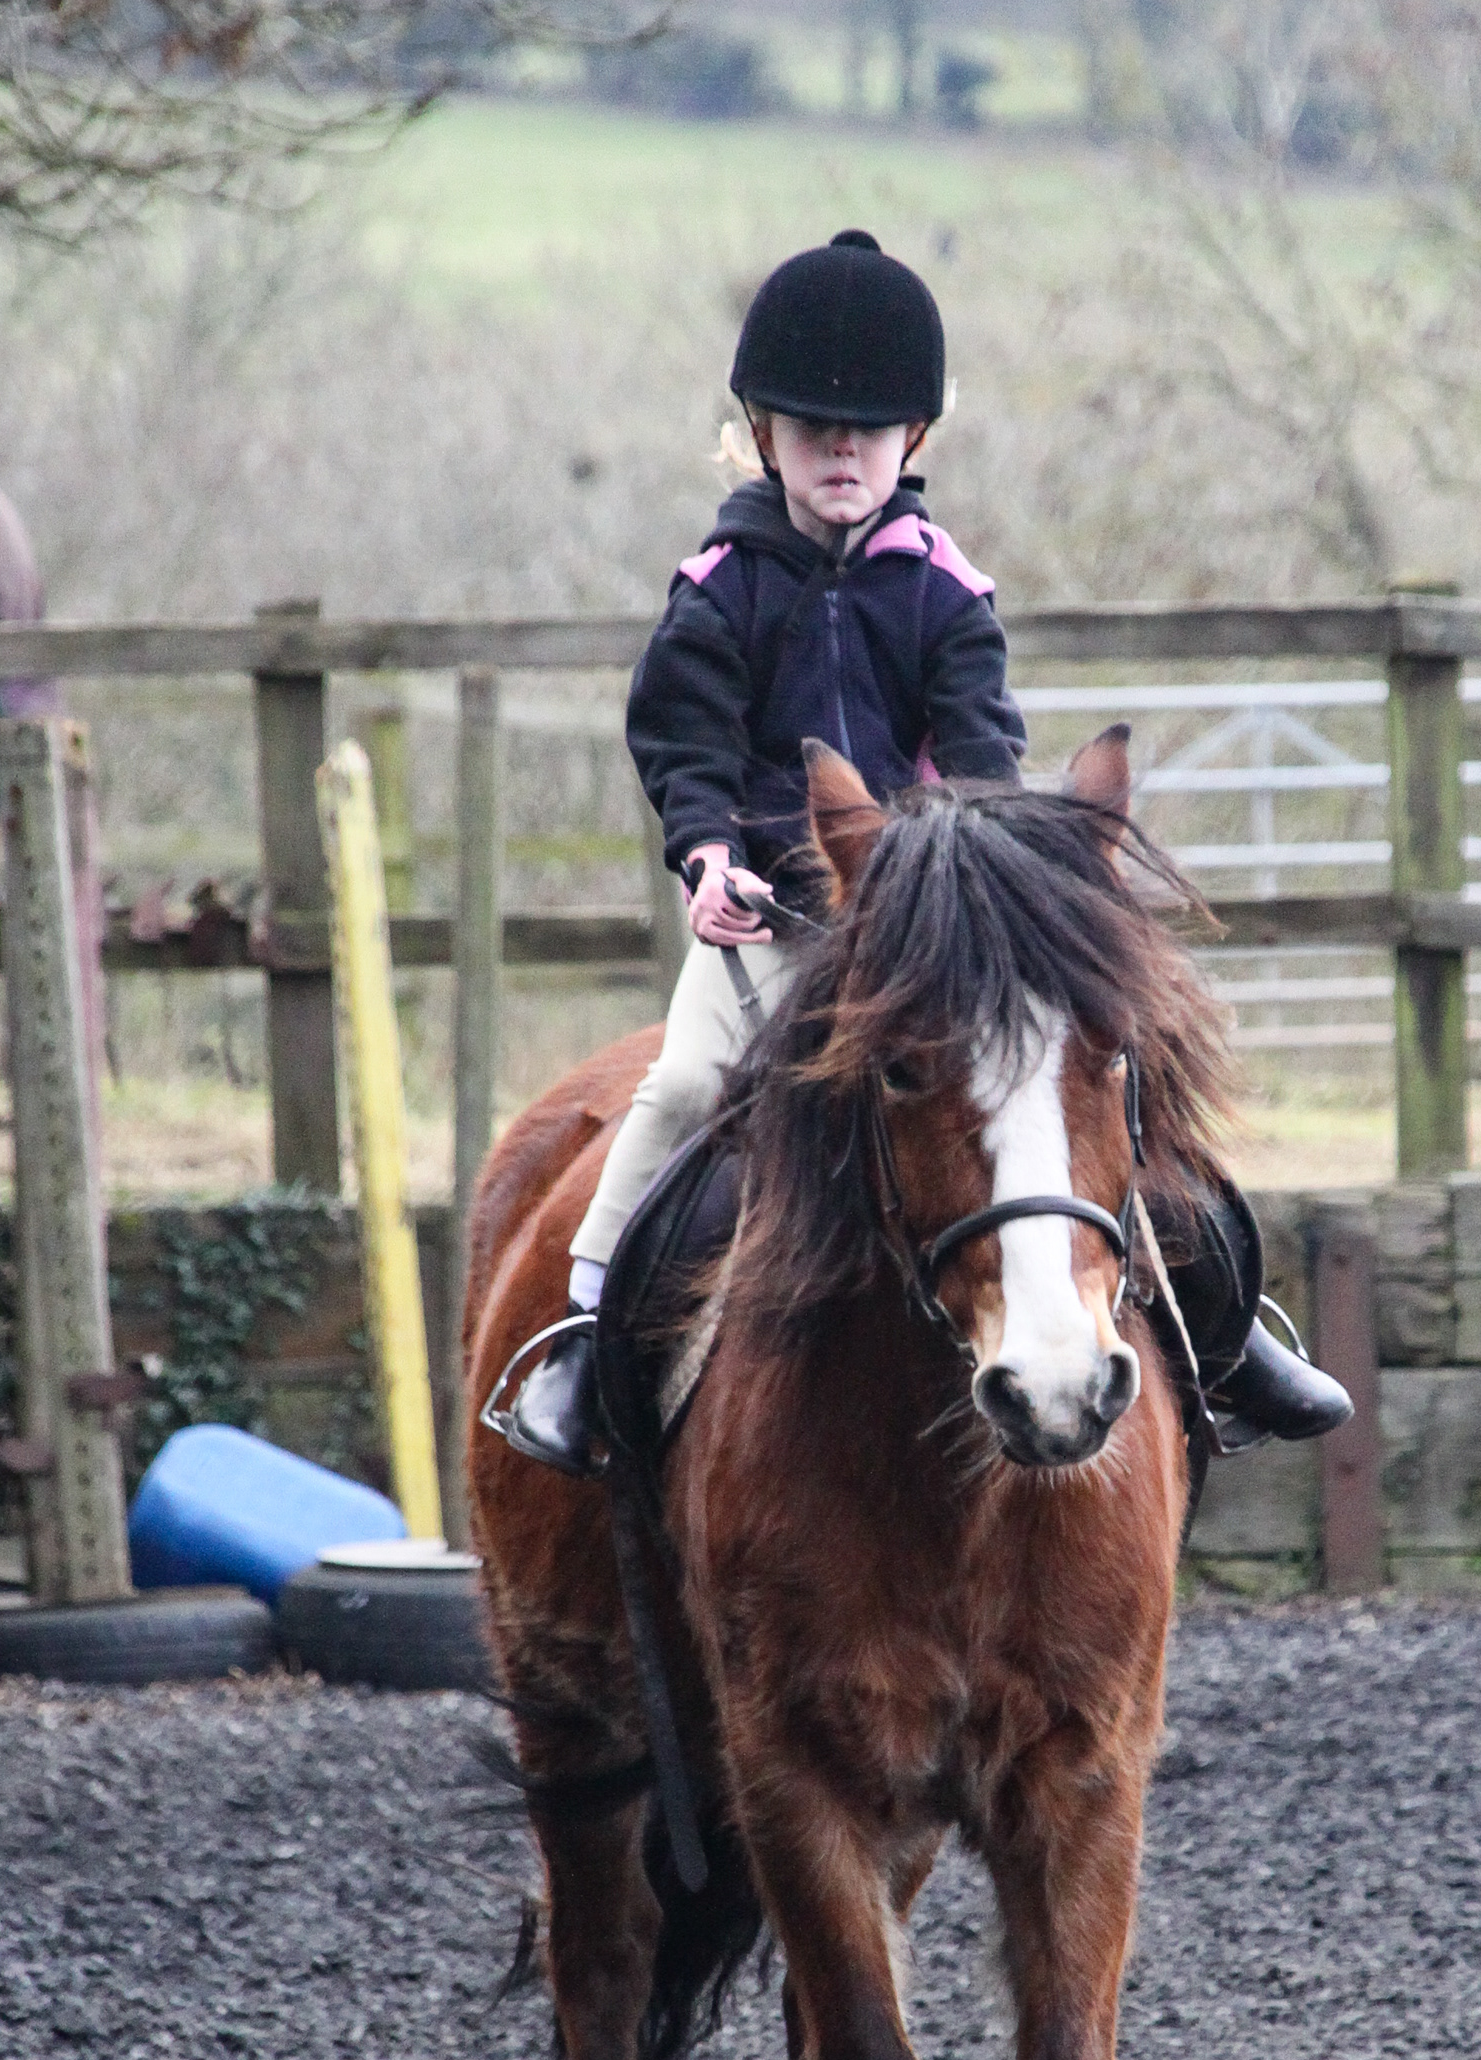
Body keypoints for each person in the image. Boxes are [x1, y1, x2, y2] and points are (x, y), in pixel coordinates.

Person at [506, 229, 1350, 1474]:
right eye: (812, 432)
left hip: (926, 938)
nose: (841, 454)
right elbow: (682, 747)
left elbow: (981, 757)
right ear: (763, 435)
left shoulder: (949, 594)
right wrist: (706, 861)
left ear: (914, 444)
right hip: (779, 931)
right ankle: (586, 1337)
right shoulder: (718, 590)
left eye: (870, 432)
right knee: (684, 1087)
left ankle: (1219, 1329)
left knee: (1093, 1091)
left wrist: (987, 892)